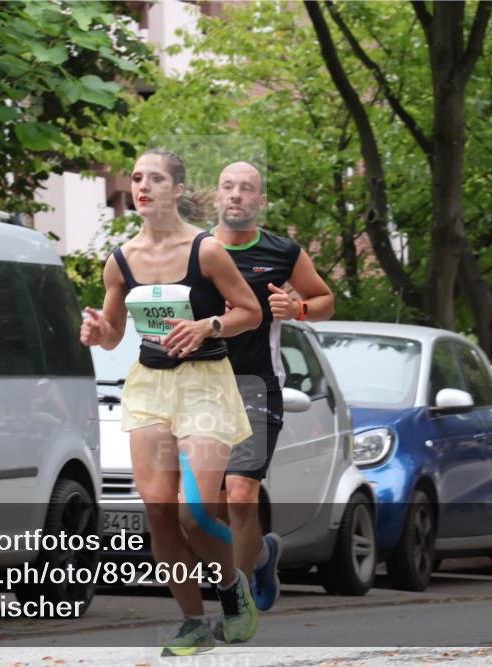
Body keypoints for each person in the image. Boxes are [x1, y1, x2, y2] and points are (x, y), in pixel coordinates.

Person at [79, 149, 263, 657]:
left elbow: (251, 311)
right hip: (150, 387)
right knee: (160, 512)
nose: (143, 186)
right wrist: (97, 331)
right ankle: (191, 621)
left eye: (155, 178)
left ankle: (232, 590)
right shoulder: (120, 259)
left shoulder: (206, 252)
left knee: (193, 511)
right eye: (137, 178)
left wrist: (210, 325)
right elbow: (115, 333)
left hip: (205, 383)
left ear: (177, 189)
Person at [212, 161, 335, 621]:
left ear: (260, 202)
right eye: (228, 187)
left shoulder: (283, 252)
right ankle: (262, 556)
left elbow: (324, 301)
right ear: (217, 197)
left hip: (256, 385)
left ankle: (236, 605)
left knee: (241, 494)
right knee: (205, 507)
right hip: (199, 388)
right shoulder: (194, 250)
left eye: (247, 189)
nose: (237, 195)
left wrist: (297, 306)